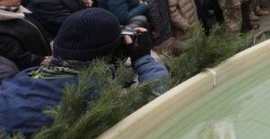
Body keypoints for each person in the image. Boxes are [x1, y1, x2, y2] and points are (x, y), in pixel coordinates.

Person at [0, 8, 168, 137]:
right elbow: (154, 99)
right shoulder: (91, 91)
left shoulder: (28, 75)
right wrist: (142, 58)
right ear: (109, 51)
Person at [0, 0, 51, 75]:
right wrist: (43, 60)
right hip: (32, 72)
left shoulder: (19, 11)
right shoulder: (3, 25)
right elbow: (17, 55)